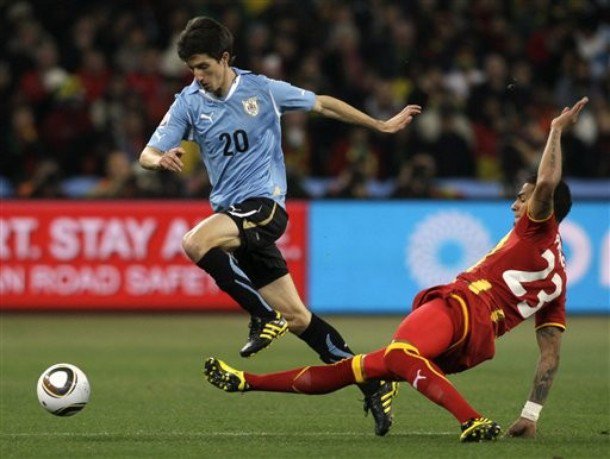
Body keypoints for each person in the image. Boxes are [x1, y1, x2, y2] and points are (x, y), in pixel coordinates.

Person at [203, 97, 589, 441]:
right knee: (356, 369)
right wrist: (530, 414)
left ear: (543, 207)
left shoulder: (536, 228)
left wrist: (555, 130)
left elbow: (546, 182)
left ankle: (472, 419)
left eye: (521, 199)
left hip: (462, 308)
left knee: (400, 355)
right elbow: (550, 356)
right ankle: (246, 381)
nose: (515, 205)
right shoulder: (558, 280)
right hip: (473, 345)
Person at [139, 16, 422, 435]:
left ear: (224, 58)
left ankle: (261, 316)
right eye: (192, 69)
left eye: (204, 67)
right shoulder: (188, 103)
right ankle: (372, 382)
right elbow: (147, 152)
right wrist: (159, 159)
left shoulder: (262, 90)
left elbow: (322, 103)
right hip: (235, 218)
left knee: (195, 242)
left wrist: (379, 124)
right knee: (298, 317)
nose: (198, 76)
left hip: (265, 206)